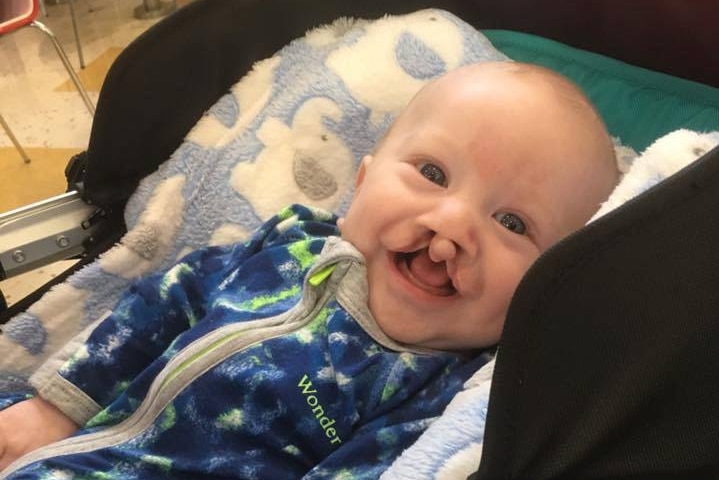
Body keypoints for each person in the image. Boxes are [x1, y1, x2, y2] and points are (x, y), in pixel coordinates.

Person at [0, 61, 618, 479]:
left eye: (512, 224)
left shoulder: (434, 394)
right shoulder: (292, 244)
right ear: (362, 179)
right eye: (431, 173)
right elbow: (170, 297)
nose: (452, 223)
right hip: (73, 431)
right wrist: (59, 408)